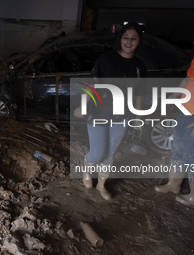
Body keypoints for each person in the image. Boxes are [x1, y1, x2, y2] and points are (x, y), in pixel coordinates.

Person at [74, 22, 147, 200]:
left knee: (110, 154)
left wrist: (137, 116)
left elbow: (139, 93)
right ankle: (87, 168)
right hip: (98, 112)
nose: (129, 42)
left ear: (139, 42)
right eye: (125, 37)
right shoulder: (106, 59)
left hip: (122, 116)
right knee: (98, 152)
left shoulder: (139, 66)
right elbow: (91, 84)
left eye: (133, 38)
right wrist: (83, 106)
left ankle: (101, 185)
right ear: (120, 39)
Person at [154, 20, 194, 206]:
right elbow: (187, 81)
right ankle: (174, 185)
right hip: (186, 113)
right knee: (177, 150)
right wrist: (172, 100)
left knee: (191, 155)